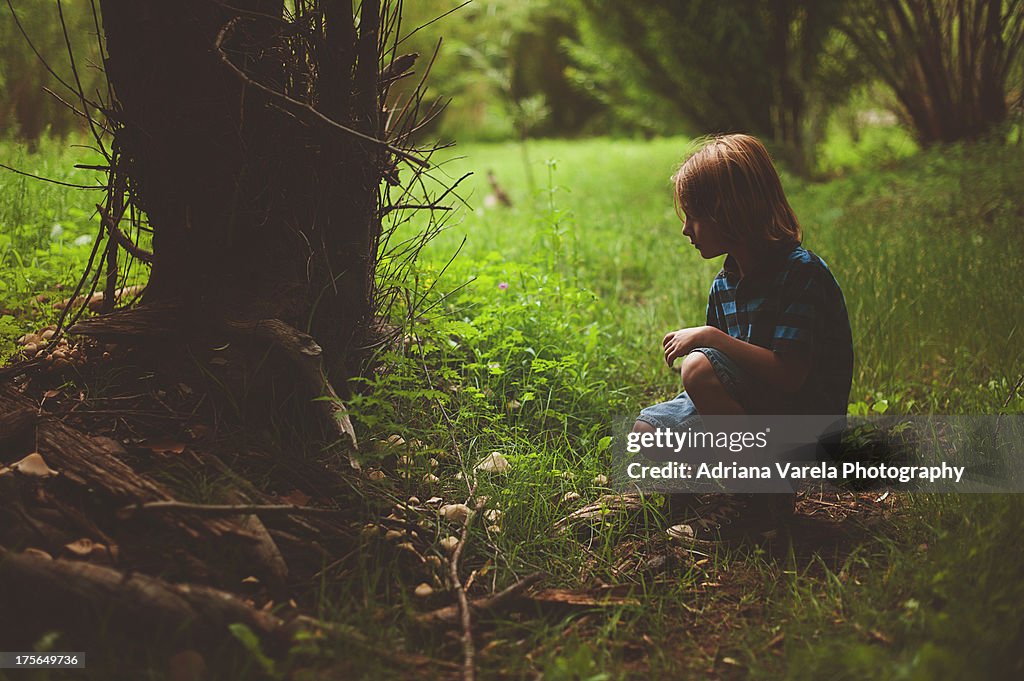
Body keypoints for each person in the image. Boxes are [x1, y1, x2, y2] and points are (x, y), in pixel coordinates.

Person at [633, 133, 854, 539]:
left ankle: (760, 500)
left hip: (803, 421)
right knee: (646, 434)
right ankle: (719, 489)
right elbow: (727, 384)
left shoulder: (801, 274)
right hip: (758, 411)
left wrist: (710, 338)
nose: (686, 230)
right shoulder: (724, 284)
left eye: (694, 216)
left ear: (730, 212)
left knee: (698, 367)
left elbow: (789, 376)